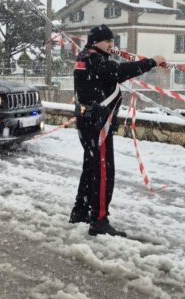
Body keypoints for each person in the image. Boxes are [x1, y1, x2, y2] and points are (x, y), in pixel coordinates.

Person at [70, 24, 165, 237]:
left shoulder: (85, 58)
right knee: (104, 173)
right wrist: (152, 62)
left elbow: (112, 72)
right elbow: (120, 71)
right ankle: (99, 220)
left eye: (113, 42)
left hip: (87, 123)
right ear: (96, 42)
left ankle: (80, 211)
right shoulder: (95, 61)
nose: (112, 46)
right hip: (98, 125)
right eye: (108, 42)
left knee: (91, 168)